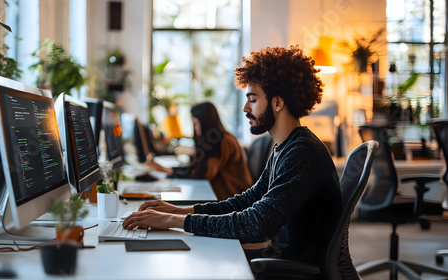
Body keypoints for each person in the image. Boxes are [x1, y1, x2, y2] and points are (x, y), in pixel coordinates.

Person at [123, 46, 342, 271]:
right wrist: (177, 211)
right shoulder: (284, 147)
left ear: (277, 103)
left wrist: (173, 222)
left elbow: (255, 224)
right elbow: (247, 200)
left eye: (253, 100)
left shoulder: (302, 152)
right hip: (283, 263)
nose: (246, 107)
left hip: (296, 272)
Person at [147, 102, 252, 200]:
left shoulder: (223, 141)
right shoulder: (218, 138)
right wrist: (169, 170)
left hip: (235, 199)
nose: (195, 129)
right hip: (226, 197)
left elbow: (205, 173)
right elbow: (198, 167)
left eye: (196, 123)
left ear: (206, 123)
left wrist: (169, 171)